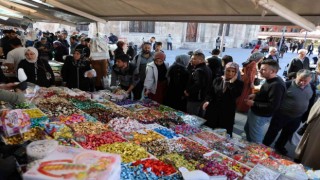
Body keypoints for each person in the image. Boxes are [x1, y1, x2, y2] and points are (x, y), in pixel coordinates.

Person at [263, 69, 313, 155]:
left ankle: (279, 146)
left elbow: (310, 101)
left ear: (310, 80)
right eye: (300, 80)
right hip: (282, 115)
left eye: (305, 81)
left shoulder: (311, 87)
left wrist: (306, 115)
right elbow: (276, 98)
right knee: (272, 132)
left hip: (297, 117)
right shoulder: (287, 85)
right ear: (296, 77)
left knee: (287, 134)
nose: (302, 83)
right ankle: (264, 146)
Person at [244, 59, 286, 144]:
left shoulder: (276, 85)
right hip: (256, 113)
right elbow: (266, 94)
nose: (260, 71)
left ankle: (255, 154)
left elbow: (273, 106)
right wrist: (256, 96)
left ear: (272, 71)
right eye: (261, 68)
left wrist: (254, 103)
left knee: (255, 140)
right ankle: (249, 147)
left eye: (263, 69)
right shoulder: (270, 79)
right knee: (248, 130)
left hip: (260, 116)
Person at [203, 62, 244, 137]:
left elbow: (235, 94)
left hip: (227, 111)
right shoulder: (218, 79)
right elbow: (211, 92)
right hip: (213, 109)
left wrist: (231, 83)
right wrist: (207, 101)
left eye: (233, 71)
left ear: (236, 72)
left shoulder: (239, 83)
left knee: (224, 132)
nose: (230, 73)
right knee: (209, 129)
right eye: (228, 70)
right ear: (225, 70)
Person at [184, 52, 212, 116]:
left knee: (192, 117)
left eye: (194, 59)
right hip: (202, 97)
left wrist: (188, 91)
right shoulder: (206, 68)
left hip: (195, 98)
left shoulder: (199, 70)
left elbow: (198, 84)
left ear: (201, 60)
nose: (191, 60)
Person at [295, 98, 320, 169]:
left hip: (317, 126)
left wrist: (307, 121)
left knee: (311, 150)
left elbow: (316, 110)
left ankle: (305, 166)